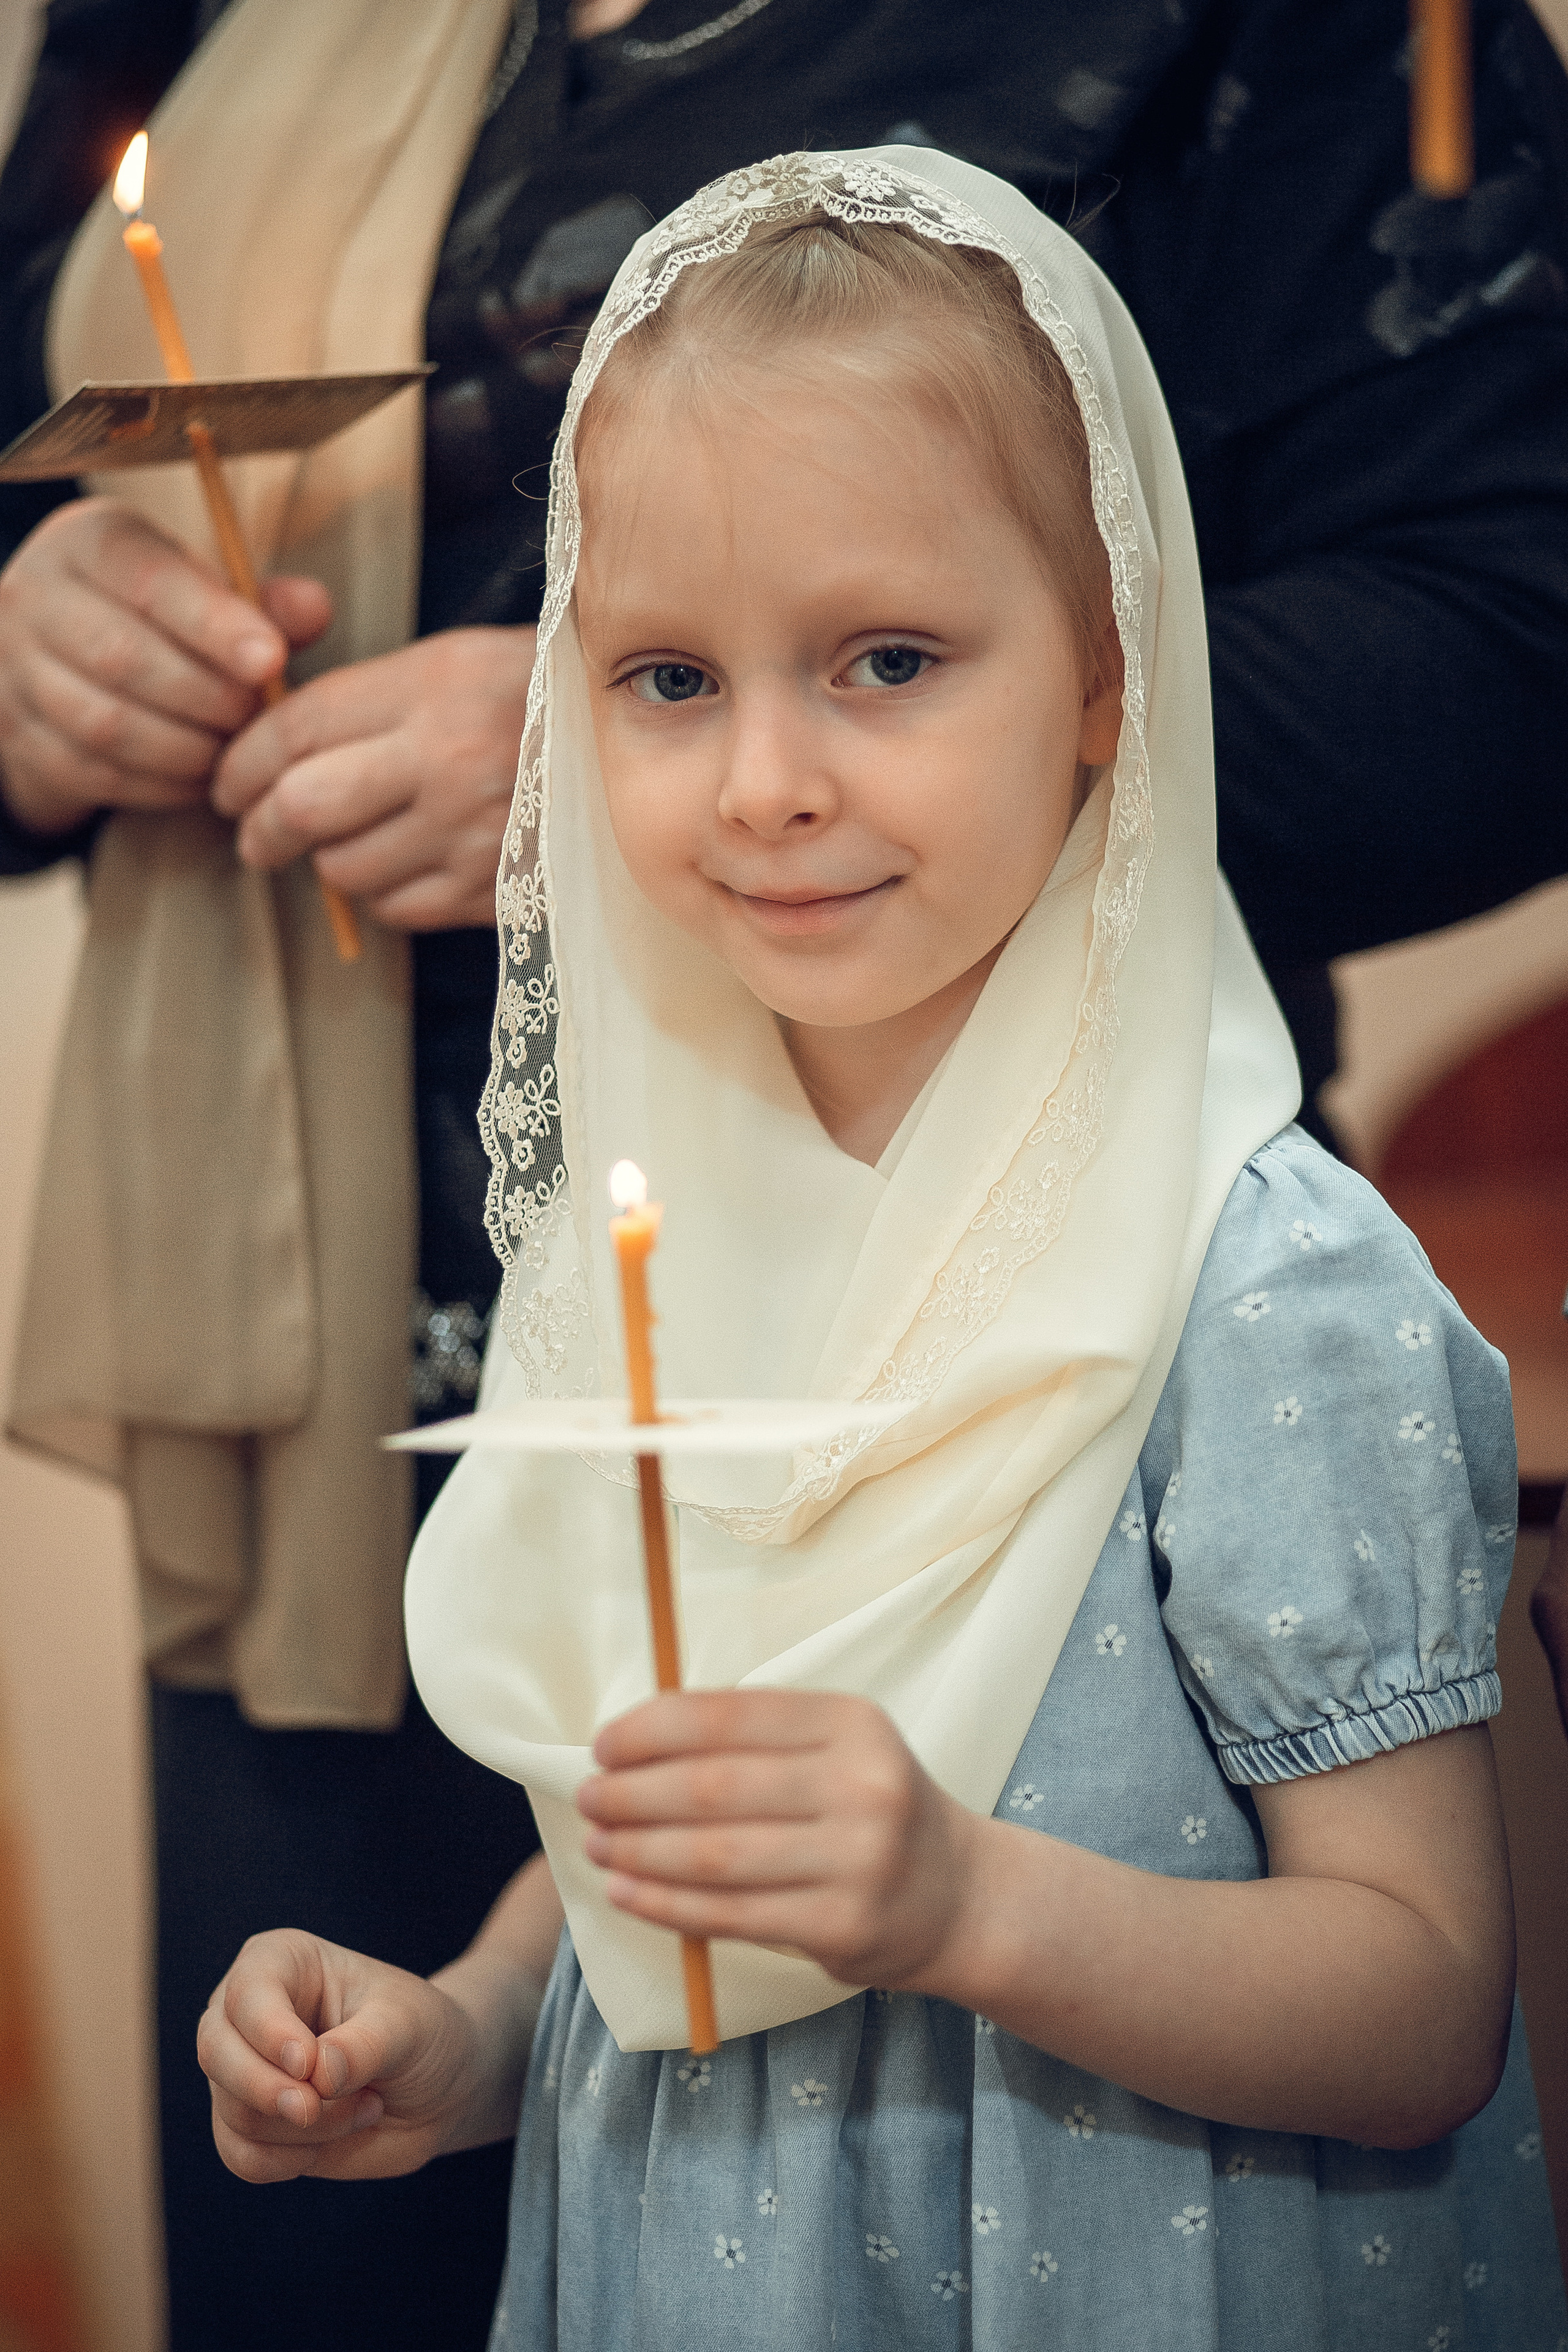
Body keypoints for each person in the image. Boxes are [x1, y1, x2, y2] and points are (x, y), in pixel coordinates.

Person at [3, 7, 1566, 2345]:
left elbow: (1424, 2005)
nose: (763, 788)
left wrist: (961, 1909)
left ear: (1114, 674)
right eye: (656, 683)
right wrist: (460, 2039)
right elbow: (654, 1851)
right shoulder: (657, 1253)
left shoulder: (1263, 1298)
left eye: (891, 659)